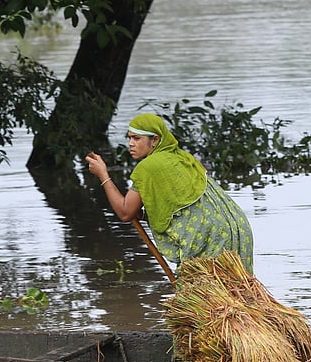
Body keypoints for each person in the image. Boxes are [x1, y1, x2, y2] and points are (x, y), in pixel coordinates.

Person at [85, 113, 254, 273]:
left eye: (137, 138)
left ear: (155, 140)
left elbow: (125, 213)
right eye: (129, 138)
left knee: (201, 290)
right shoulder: (181, 157)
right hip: (236, 226)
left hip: (208, 235)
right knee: (234, 289)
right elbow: (174, 207)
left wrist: (103, 175)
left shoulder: (149, 167)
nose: (131, 143)